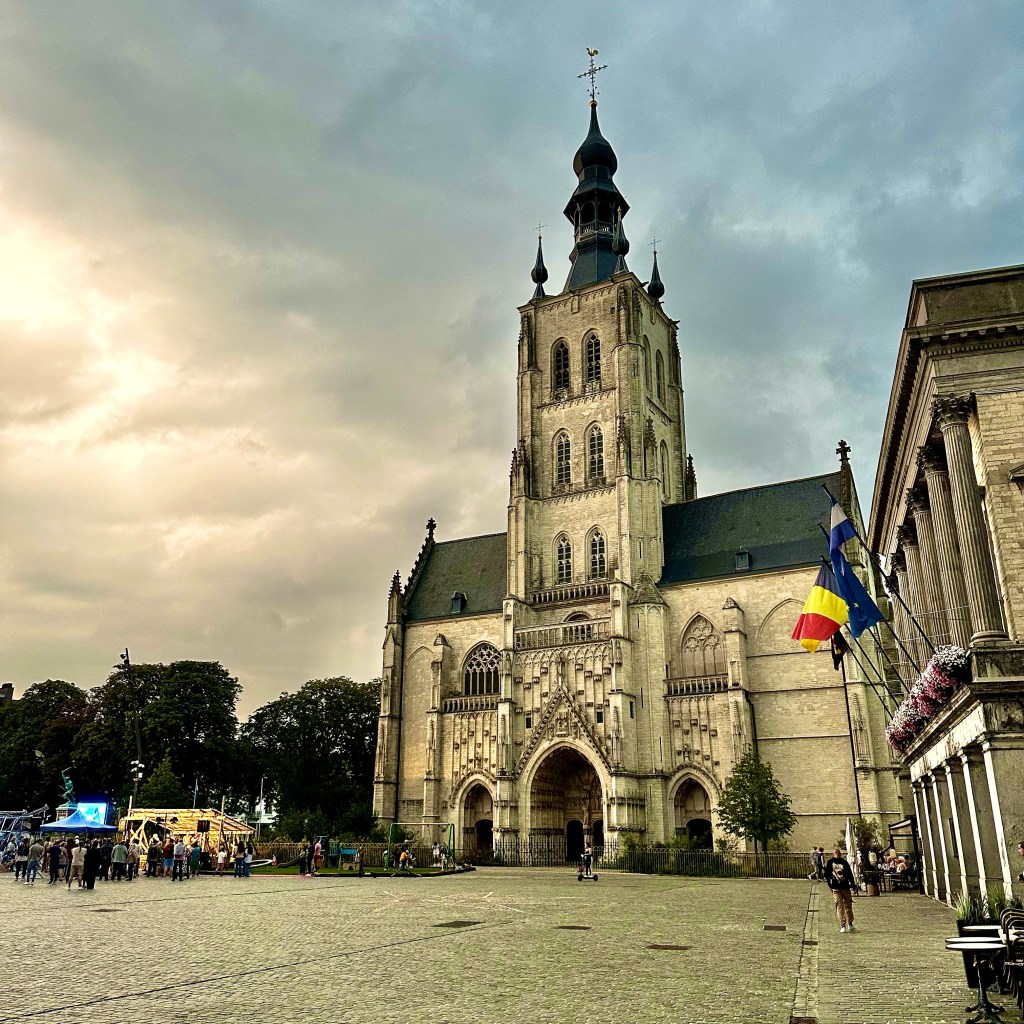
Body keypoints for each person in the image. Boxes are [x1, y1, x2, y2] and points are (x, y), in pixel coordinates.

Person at [824, 847, 857, 933]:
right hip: (843, 887)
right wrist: (853, 885)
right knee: (847, 905)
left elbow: (827, 875)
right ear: (840, 854)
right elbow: (850, 875)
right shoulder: (843, 862)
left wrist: (830, 885)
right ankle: (849, 924)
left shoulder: (830, 862)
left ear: (833, 854)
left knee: (840, 906)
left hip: (837, 887)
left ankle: (844, 925)